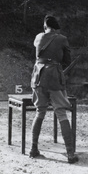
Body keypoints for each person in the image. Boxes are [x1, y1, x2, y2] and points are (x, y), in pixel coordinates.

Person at [29, 15, 79, 164]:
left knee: (40, 112)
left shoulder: (38, 37)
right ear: (56, 27)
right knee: (61, 114)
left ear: (45, 26)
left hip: (38, 76)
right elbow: (67, 61)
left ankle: (33, 149)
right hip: (54, 77)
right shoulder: (62, 39)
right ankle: (70, 154)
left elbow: (40, 54)